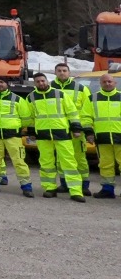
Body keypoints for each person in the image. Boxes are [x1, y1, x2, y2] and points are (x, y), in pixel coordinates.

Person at [27, 72, 85, 202]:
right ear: (34, 83)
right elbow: (30, 117)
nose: (41, 83)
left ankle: (76, 191)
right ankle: (50, 188)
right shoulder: (31, 97)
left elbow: (72, 113)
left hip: (62, 133)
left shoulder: (60, 94)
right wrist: (31, 132)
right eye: (38, 82)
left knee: (69, 162)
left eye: (43, 81)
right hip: (42, 135)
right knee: (46, 163)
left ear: (47, 81)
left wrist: (76, 128)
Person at [0, 74, 34, 197]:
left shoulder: (17, 99)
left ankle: (26, 187)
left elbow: (26, 118)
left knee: (19, 161)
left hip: (12, 136)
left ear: (7, 84)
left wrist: (15, 126)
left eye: (2, 82)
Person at [49, 63, 91, 195]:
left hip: (77, 130)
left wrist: (82, 128)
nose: (62, 73)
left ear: (69, 72)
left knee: (79, 158)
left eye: (64, 70)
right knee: (61, 159)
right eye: (59, 71)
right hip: (59, 128)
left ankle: (84, 186)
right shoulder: (49, 87)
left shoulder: (81, 88)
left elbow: (86, 109)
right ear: (55, 72)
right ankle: (64, 184)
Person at [83, 73, 121, 198]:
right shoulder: (92, 98)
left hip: (119, 137)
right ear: (101, 83)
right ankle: (107, 189)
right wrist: (89, 132)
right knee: (105, 164)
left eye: (110, 81)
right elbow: (86, 117)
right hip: (102, 138)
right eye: (104, 82)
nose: (107, 83)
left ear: (114, 83)